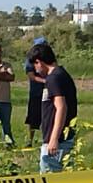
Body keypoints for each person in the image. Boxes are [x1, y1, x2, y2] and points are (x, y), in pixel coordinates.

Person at [29, 44, 77, 173]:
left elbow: (61, 107)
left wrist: (54, 139)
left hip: (57, 142)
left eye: (35, 65)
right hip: (61, 138)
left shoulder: (54, 78)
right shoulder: (61, 74)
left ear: (39, 61)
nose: (35, 69)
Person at [22, 35, 48, 144]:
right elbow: (31, 76)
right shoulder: (30, 59)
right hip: (36, 92)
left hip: (48, 92)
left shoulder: (48, 58)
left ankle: (45, 139)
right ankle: (30, 140)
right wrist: (45, 81)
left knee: (47, 116)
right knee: (33, 117)